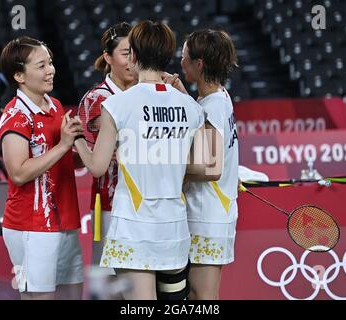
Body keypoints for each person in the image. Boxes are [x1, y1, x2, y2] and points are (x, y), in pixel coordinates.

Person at [74, 20, 214, 300]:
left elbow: (98, 166)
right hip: (174, 229)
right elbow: (208, 165)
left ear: (134, 56)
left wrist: (76, 138)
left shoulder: (116, 104)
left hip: (133, 228)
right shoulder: (190, 106)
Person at [0, 36, 84, 300]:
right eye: (41, 65)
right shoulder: (15, 116)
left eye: (51, 63)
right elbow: (19, 173)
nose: (51, 70)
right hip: (30, 227)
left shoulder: (55, 105)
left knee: (73, 294)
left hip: (65, 220)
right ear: (19, 75)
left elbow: (61, 161)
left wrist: (78, 148)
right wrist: (63, 145)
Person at [172, 29, 239, 300]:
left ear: (199, 64)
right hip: (212, 214)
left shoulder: (213, 107)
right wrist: (182, 94)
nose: (181, 62)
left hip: (207, 216)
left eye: (185, 56)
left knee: (203, 295)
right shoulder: (217, 98)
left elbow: (210, 168)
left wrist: (167, 170)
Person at [78, 22, 137, 267]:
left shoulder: (148, 94)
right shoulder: (96, 100)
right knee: (111, 285)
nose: (133, 61)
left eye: (137, 53)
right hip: (112, 206)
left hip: (149, 206)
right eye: (125, 54)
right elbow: (95, 161)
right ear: (107, 57)